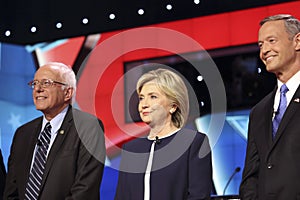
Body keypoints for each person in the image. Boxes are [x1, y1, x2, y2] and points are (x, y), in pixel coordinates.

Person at [3, 62, 106, 200]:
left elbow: (85, 190)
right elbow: (11, 191)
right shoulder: (23, 134)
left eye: (46, 83)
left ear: (68, 92)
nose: (38, 89)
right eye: (35, 83)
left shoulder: (87, 127)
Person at [114, 68, 212, 200]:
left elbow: (199, 196)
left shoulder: (193, 143)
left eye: (153, 97)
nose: (144, 104)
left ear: (173, 106)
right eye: (141, 98)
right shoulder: (131, 149)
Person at [239, 14, 300, 199]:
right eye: (260, 45)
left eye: (271, 41)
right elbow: (251, 176)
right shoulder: (259, 111)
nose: (264, 51)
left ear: (297, 42)